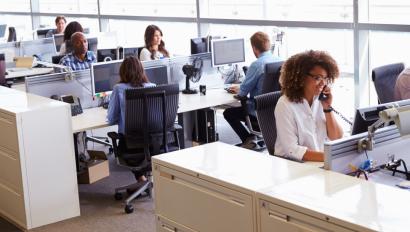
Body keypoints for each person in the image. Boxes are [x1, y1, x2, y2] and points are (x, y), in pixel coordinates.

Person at [275, 50, 343, 162]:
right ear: (301, 77)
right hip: (293, 164)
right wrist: (330, 157)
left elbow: (336, 137)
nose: (323, 83)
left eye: (325, 78)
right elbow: (292, 150)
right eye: (317, 78)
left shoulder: (320, 100)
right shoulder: (285, 105)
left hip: (318, 161)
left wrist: (327, 108)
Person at [223, 31, 281, 148]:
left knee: (228, 113)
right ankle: (254, 137)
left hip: (257, 110)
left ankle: (248, 139)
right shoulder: (279, 61)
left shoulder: (257, 65)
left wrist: (239, 89)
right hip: (274, 109)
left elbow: (243, 92)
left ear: (254, 48)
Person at [107, 56, 156, 183]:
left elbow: (111, 119)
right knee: (143, 144)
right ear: (141, 70)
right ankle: (143, 180)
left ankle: (142, 180)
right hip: (155, 143)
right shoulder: (152, 86)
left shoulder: (119, 89)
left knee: (130, 141)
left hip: (130, 146)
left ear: (122, 72)